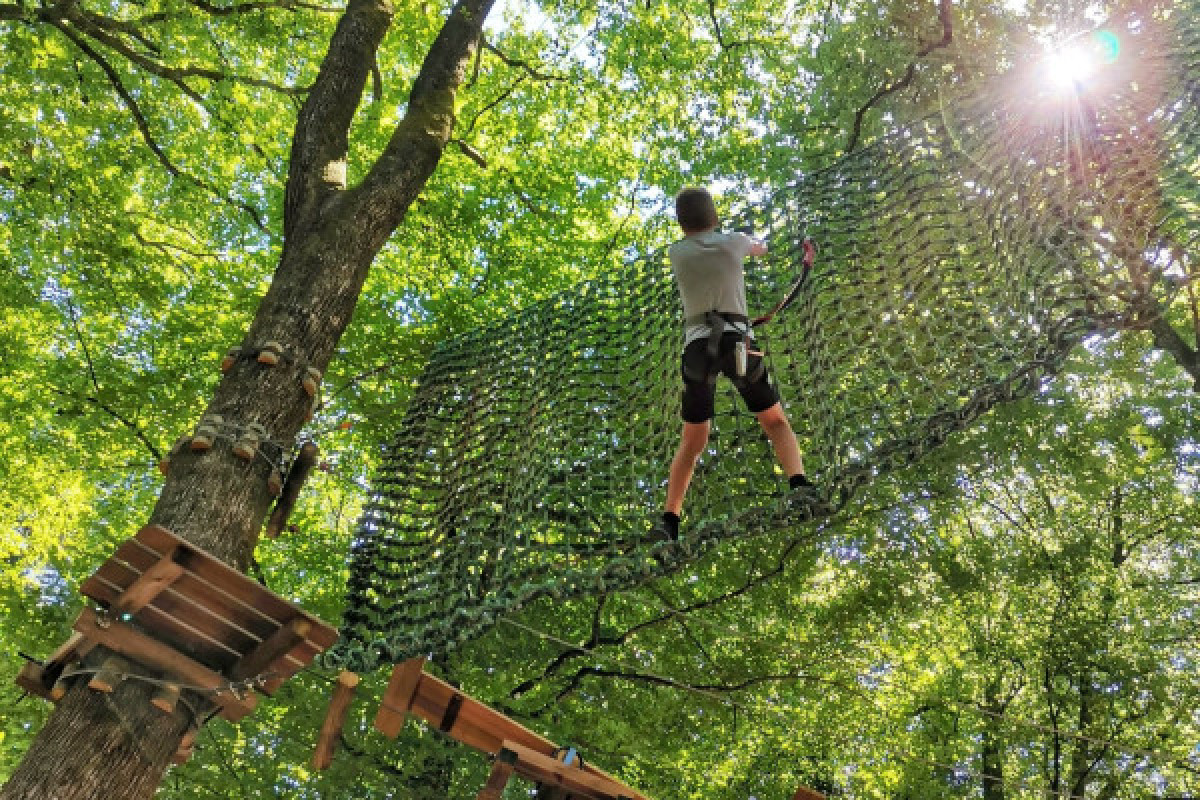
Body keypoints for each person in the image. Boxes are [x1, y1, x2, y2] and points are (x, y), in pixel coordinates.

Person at [655, 187, 812, 540]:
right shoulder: (734, 242)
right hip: (738, 343)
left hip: (697, 351)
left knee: (693, 443)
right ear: (715, 217)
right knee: (774, 421)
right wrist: (754, 243)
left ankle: (670, 519)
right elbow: (762, 248)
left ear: (681, 224)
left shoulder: (676, 253)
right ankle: (799, 484)